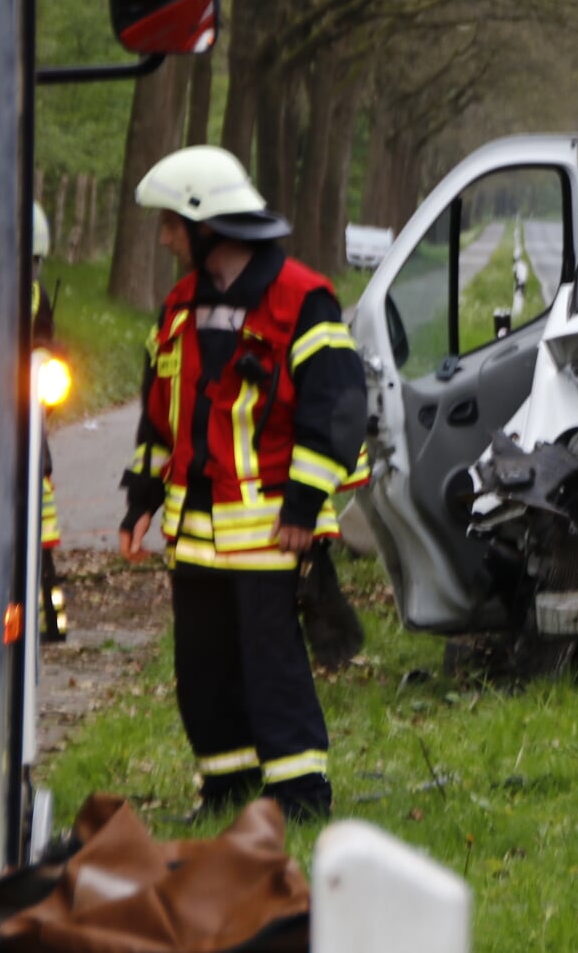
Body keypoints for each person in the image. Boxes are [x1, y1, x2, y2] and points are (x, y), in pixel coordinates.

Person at [118, 146, 367, 822]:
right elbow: (158, 412)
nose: (165, 237)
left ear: (206, 226)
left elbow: (338, 408)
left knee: (272, 671)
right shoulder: (178, 306)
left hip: (265, 533)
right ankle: (226, 787)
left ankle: (300, 797)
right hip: (194, 535)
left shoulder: (301, 301)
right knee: (203, 673)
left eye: (171, 224)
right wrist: (142, 496)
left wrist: (304, 505)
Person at [33, 202, 68, 641]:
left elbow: (48, 347)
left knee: (42, 541)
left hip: (27, 425)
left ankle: (55, 621)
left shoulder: (39, 296)